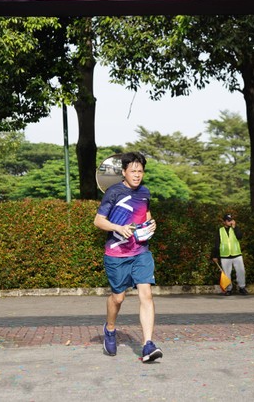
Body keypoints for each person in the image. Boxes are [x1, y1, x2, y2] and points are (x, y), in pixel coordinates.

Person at [94, 152, 163, 363]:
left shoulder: (145, 192)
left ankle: (148, 344)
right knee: (118, 298)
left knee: (146, 295)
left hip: (141, 252)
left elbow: (146, 214)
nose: (137, 175)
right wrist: (118, 228)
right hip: (117, 254)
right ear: (124, 172)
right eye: (133, 171)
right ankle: (110, 329)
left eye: (140, 171)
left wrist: (151, 224)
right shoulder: (113, 192)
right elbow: (98, 221)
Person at [211, 213, 249, 295]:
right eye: (228, 220)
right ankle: (229, 289)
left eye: (231, 220)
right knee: (226, 273)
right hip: (225, 255)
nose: (230, 222)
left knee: (241, 272)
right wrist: (214, 256)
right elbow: (216, 244)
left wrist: (235, 227)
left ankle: (242, 288)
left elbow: (240, 237)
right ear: (224, 222)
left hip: (236, 254)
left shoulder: (235, 228)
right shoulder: (220, 230)